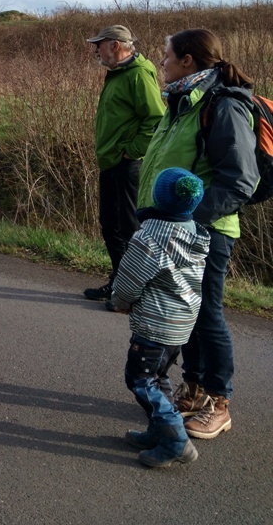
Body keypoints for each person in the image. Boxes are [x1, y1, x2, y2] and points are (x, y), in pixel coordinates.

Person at [137, 28, 259, 441]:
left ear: (188, 60)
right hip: (177, 229)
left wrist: (193, 218)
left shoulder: (222, 105)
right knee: (185, 313)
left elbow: (240, 179)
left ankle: (219, 403)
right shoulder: (184, 100)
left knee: (207, 314)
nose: (162, 63)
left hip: (207, 230)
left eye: (167, 56)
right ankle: (193, 388)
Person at [111, 167, 209, 468]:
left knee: (140, 379)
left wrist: (120, 301)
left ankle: (176, 440)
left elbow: (129, 279)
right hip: (181, 324)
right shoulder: (195, 233)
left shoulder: (150, 238)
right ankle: (158, 430)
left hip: (155, 325)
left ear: (158, 197)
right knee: (159, 376)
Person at [83, 25, 165, 307]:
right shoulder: (117, 73)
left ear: (115, 45)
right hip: (111, 161)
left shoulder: (139, 74)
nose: (96, 50)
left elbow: (155, 119)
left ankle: (133, 292)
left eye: (99, 44)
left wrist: (131, 152)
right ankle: (119, 283)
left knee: (127, 226)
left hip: (126, 164)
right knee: (110, 224)